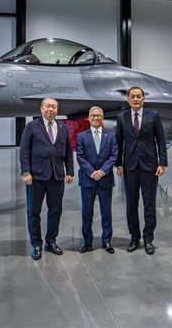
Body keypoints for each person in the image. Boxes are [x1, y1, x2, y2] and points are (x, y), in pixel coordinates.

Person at [19, 98, 74, 260]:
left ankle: (51, 241)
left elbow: (68, 152)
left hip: (56, 176)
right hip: (36, 177)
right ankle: (36, 243)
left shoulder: (63, 128)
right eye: (48, 106)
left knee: (55, 211)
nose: (51, 109)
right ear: (42, 108)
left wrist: (70, 172)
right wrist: (26, 172)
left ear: (57, 110)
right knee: (33, 212)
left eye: (54, 107)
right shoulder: (31, 126)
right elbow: (24, 151)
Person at [115, 86, 167, 255]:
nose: (136, 99)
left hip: (149, 167)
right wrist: (118, 164)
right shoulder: (122, 118)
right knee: (131, 205)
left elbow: (161, 140)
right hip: (130, 167)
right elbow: (119, 142)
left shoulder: (154, 116)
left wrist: (162, 163)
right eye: (133, 96)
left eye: (139, 96)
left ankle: (148, 239)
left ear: (143, 98)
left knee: (149, 205)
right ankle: (134, 237)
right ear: (128, 99)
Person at [76, 106, 118, 254]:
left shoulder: (110, 136)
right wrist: (92, 172)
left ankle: (106, 241)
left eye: (98, 115)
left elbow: (114, 156)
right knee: (86, 213)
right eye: (93, 115)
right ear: (88, 118)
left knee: (106, 212)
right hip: (88, 180)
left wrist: (102, 171)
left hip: (105, 180)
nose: (95, 118)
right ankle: (87, 242)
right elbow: (80, 157)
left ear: (102, 118)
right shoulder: (81, 136)